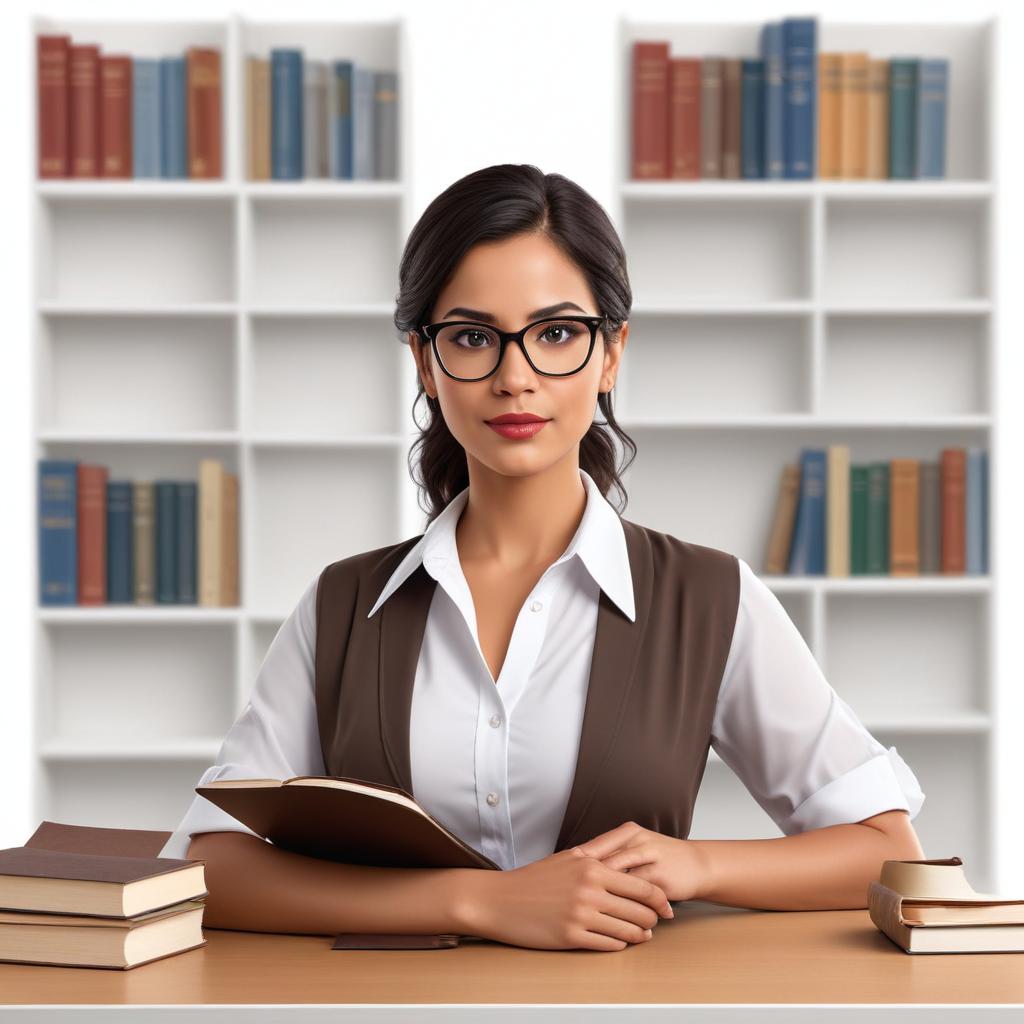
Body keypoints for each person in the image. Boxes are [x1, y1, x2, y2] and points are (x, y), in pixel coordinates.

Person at [160, 164, 925, 952]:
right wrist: (478, 903)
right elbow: (209, 866)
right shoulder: (343, 605)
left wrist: (693, 865)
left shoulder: (708, 598)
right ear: (425, 362)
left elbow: (885, 850)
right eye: (471, 338)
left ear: (611, 354)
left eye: (556, 334)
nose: (514, 377)